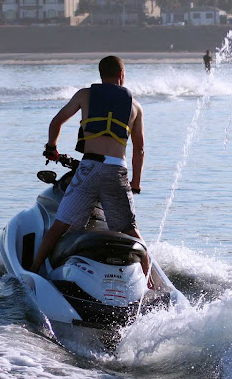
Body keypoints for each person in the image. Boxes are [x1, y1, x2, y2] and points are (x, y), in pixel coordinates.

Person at [30, 56, 151, 285]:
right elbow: (140, 149)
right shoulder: (135, 106)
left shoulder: (84, 95)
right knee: (131, 231)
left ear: (100, 75)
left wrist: (51, 149)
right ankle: (150, 280)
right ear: (122, 76)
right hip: (116, 170)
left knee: (59, 226)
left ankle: (34, 271)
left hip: (88, 168)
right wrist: (136, 183)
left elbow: (56, 122)